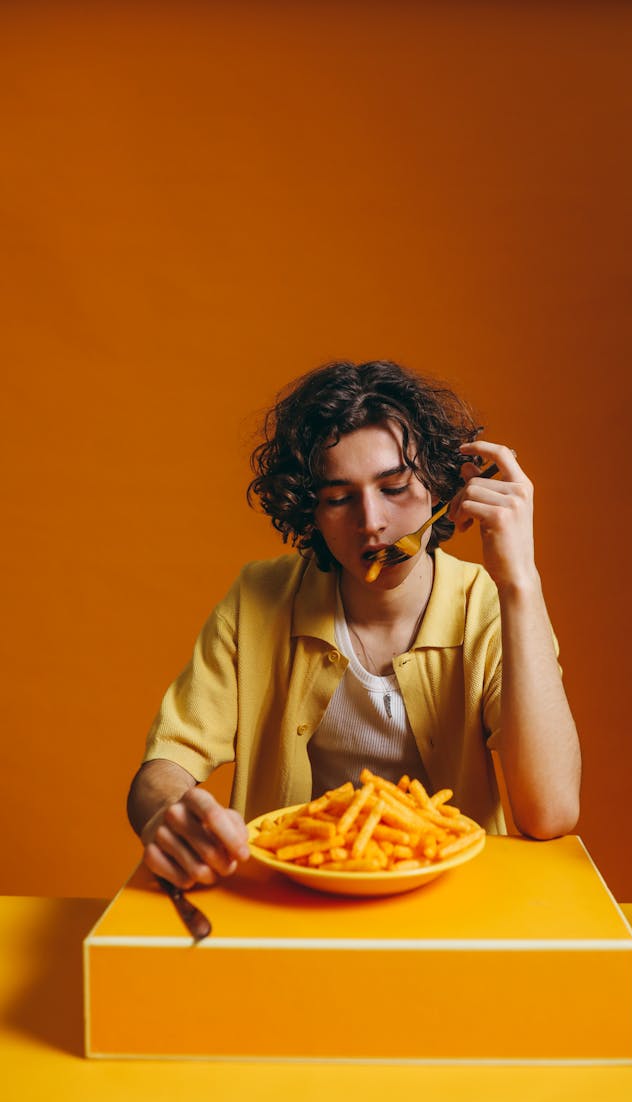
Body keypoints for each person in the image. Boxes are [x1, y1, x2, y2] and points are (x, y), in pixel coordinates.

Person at [127, 359, 581, 888]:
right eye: (339, 499)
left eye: (394, 488)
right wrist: (168, 815)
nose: (372, 523)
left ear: (440, 487)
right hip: (293, 901)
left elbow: (551, 813)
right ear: (311, 514)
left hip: (460, 903)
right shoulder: (258, 599)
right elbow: (165, 764)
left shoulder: (490, 606)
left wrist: (519, 582)